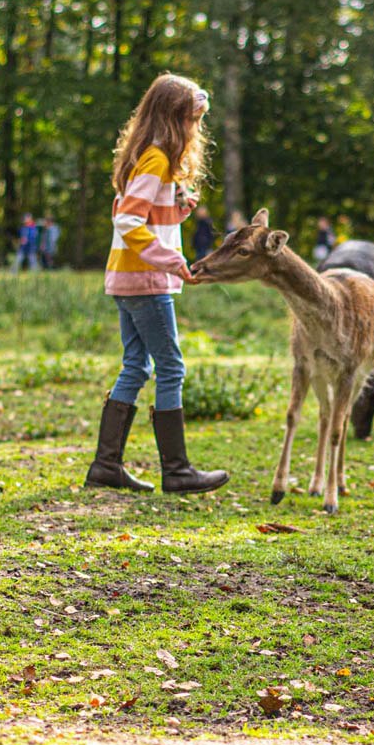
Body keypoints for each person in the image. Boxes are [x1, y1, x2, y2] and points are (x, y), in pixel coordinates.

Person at [84, 73, 230, 495]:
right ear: (173, 119)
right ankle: (177, 470)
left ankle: (105, 465)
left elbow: (143, 217)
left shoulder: (146, 157)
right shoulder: (156, 159)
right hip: (146, 279)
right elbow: (128, 220)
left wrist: (179, 210)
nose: (196, 129)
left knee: (137, 365)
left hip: (127, 276)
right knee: (170, 366)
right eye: (193, 120)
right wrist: (172, 261)